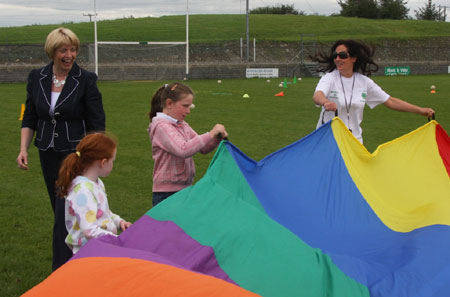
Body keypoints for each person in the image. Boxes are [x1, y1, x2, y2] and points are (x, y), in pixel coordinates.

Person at [16, 27, 105, 270]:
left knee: (64, 209)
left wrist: (93, 157)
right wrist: (23, 148)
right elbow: (30, 117)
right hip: (47, 152)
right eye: (63, 50)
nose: (69, 55)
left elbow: (97, 123)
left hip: (75, 155)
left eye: (73, 49)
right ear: (52, 52)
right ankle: (82, 258)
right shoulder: (37, 77)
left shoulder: (85, 79)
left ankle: (61, 269)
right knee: (62, 210)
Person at [312, 39, 434, 143]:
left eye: (343, 55)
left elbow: (390, 101)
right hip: (328, 141)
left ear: (353, 58)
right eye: (335, 56)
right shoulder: (329, 78)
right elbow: (318, 95)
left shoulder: (364, 82)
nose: (338, 59)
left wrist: (420, 111)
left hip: (354, 142)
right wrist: (325, 102)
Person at [148, 82, 228, 207]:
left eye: (190, 106)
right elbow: (183, 149)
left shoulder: (182, 124)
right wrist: (210, 133)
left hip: (185, 188)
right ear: (169, 103)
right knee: (168, 227)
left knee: (183, 227)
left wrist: (216, 138)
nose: (188, 111)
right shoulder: (161, 126)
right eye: (185, 106)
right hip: (166, 193)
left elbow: (203, 148)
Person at [56, 133, 131, 254]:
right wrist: (117, 240)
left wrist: (119, 222)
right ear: (103, 162)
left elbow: (104, 213)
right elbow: (89, 230)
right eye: (113, 161)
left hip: (101, 246)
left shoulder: (96, 183)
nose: (113, 165)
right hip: (89, 252)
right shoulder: (83, 192)